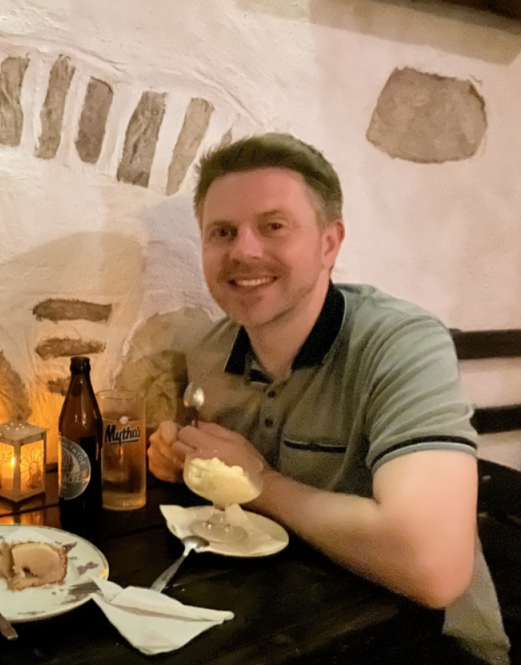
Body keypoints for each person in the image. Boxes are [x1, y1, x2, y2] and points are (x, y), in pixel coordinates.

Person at [147, 133, 510, 665]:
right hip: (287, 628)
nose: (243, 250)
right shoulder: (208, 352)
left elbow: (433, 569)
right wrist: (183, 461)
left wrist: (259, 483)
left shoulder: (400, 343)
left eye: (273, 226)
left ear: (328, 243)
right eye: (222, 232)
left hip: (428, 643)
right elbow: (225, 487)